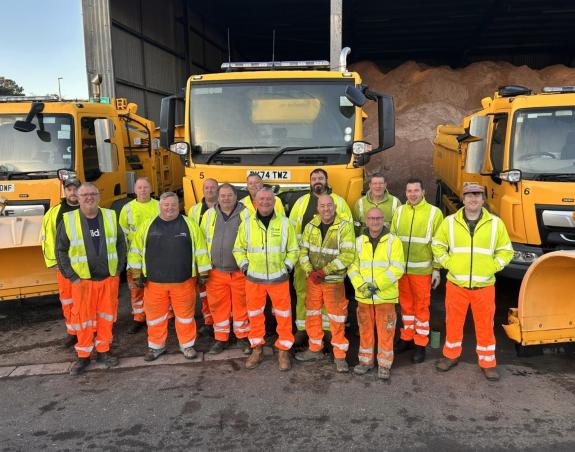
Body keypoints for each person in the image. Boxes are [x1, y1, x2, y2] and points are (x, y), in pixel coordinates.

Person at [432, 182, 513, 381]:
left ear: (483, 199)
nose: (473, 199)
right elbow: (437, 245)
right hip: (456, 284)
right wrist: (448, 263)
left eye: (477, 195)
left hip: (484, 286)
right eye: (469, 195)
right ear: (463, 199)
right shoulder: (450, 222)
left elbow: (506, 251)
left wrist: (492, 267)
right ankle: (451, 356)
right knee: (453, 323)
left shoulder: (495, 224)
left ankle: (488, 363)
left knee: (485, 326)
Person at [128, 191, 211, 362]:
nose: (170, 208)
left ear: (178, 206)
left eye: (173, 205)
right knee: (155, 317)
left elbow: (201, 250)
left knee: (185, 317)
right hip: (154, 283)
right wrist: (135, 273)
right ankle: (156, 347)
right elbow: (135, 251)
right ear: (160, 206)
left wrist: (203, 272)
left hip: (184, 282)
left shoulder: (190, 225)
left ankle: (187, 345)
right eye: (166, 205)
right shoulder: (147, 225)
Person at [56, 182, 126, 376]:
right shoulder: (68, 220)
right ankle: (83, 356)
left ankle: (104, 352)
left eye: (93, 194)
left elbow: (121, 244)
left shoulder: (110, 216)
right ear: (77, 198)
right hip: (82, 282)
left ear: (98, 196)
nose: (89, 197)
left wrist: (118, 270)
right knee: (83, 320)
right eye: (84, 194)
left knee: (106, 318)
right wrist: (72, 276)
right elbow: (60, 250)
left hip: (107, 280)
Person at [233, 187, 299, 371]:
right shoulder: (246, 224)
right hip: (254, 279)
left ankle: (283, 351)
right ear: (255, 202)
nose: (265, 202)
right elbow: (238, 249)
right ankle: (257, 348)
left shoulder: (285, 224)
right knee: (254, 315)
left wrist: (287, 266)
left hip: (279, 278)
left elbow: (294, 249)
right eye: (261, 199)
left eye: (269, 199)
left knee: (284, 316)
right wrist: (245, 267)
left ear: (274, 201)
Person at [288, 168, 353, 342]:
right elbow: (292, 232)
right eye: (314, 178)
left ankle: (327, 330)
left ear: (326, 181)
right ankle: (302, 328)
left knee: (330, 298)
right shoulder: (301, 203)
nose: (317, 181)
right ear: (310, 182)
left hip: (332, 263)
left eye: (321, 178)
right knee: (303, 294)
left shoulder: (339, 202)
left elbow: (348, 230)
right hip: (305, 262)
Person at [294, 195, 355, 372]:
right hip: (313, 280)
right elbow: (303, 250)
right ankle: (314, 349)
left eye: (329, 205)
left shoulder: (344, 227)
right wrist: (309, 270)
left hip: (333, 282)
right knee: (312, 314)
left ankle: (340, 356)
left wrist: (324, 271)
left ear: (334, 207)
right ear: (318, 208)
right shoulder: (310, 226)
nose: (326, 209)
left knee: (336, 318)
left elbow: (348, 255)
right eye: (323, 206)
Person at [390, 178, 444, 363]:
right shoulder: (399, 211)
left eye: (416, 191)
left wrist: (437, 269)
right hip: (401, 271)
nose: (412, 194)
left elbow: (439, 243)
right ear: (405, 193)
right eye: (409, 191)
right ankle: (407, 338)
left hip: (422, 272)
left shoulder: (434, 213)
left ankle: (420, 344)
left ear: (423, 192)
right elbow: (393, 241)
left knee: (421, 308)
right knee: (405, 306)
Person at [348, 208, 405, 380]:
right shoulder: (358, 242)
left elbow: (397, 267)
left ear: (384, 220)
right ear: (366, 220)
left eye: (378, 218)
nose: (374, 222)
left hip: (385, 296)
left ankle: (384, 364)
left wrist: (375, 286)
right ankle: (365, 361)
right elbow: (352, 267)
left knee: (386, 331)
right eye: (371, 218)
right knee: (364, 329)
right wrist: (361, 286)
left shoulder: (393, 242)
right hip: (364, 296)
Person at [201, 183, 251, 355]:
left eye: (229, 195)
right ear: (218, 196)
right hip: (216, 272)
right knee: (217, 306)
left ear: (236, 196)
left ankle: (242, 337)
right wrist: (203, 269)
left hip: (239, 272)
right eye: (222, 195)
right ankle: (220, 339)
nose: (226, 198)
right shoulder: (208, 215)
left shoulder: (247, 214)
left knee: (242, 306)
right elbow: (202, 244)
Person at [41, 177, 81, 348]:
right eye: (69, 189)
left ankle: (88, 331)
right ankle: (73, 332)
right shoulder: (54, 212)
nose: (72, 193)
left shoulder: (90, 210)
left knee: (84, 301)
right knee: (68, 300)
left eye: (75, 189)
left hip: (85, 267)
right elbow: (46, 238)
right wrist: (53, 262)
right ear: (65, 191)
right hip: (64, 266)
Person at [119, 177, 159, 334]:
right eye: (140, 187)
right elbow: (122, 235)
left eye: (145, 187)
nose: (143, 190)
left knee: (157, 289)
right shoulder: (127, 209)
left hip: (156, 257)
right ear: (135, 190)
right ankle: (139, 318)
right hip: (134, 258)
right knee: (136, 290)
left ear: (151, 189)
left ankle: (164, 316)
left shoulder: (158, 206)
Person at [188, 178, 218, 336]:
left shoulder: (225, 208)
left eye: (213, 187)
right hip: (200, 259)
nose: (210, 190)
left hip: (218, 259)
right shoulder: (194, 210)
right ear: (203, 190)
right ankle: (208, 321)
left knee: (218, 294)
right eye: (207, 187)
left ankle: (221, 320)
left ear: (217, 189)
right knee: (204, 292)